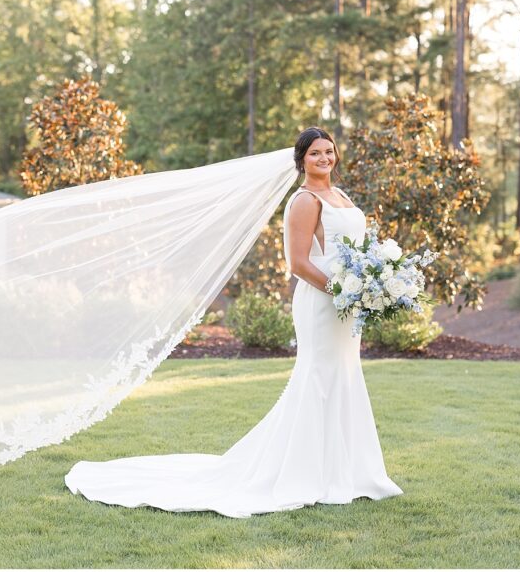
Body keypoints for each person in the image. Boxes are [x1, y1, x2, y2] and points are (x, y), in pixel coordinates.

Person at [64, 126, 404, 518]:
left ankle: (348, 472)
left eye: (329, 151)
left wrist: (374, 281)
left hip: (348, 304)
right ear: (301, 161)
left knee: (344, 377)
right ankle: (306, 473)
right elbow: (298, 263)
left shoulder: (340, 196)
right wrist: (342, 291)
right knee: (318, 378)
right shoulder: (305, 201)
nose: (324, 158)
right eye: (315, 154)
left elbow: (356, 250)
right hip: (323, 302)